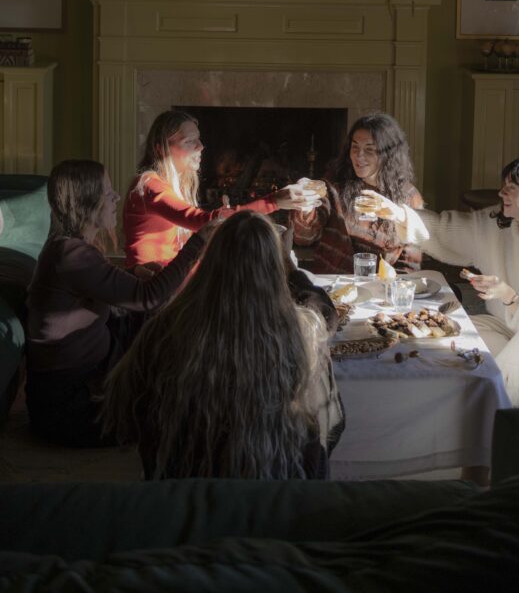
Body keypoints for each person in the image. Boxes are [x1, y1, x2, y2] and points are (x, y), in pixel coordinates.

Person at [102, 211, 344, 479]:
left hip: (181, 493)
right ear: (275, 270)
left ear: (211, 261)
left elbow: (124, 411)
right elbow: (332, 425)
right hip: (272, 495)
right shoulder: (302, 335)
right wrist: (291, 268)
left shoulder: (163, 329)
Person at [355, 155, 519, 407]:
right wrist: (399, 214)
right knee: (448, 336)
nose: (501, 193)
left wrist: (507, 295)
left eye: (511, 188)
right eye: (503, 187)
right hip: (507, 325)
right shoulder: (497, 224)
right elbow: (445, 229)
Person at [25, 160, 212, 447]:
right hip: (69, 401)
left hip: (88, 368)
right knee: (173, 420)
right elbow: (148, 297)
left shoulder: (67, 248)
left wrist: (129, 273)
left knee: (160, 325)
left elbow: (93, 287)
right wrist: (199, 242)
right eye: (108, 192)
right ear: (87, 202)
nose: (116, 198)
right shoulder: (71, 255)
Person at [123, 110, 315, 268]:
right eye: (189, 141)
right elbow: (203, 222)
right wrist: (274, 201)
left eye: (198, 139)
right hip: (154, 290)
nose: (201, 146)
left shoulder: (172, 187)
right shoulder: (148, 185)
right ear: (161, 149)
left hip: (171, 282)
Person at [292, 112, 424, 274]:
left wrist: (394, 290)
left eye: (369, 149)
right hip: (333, 286)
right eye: (355, 147)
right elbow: (303, 237)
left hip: (380, 290)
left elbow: (410, 263)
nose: (358, 156)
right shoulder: (334, 186)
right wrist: (305, 204)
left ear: (388, 154)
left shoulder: (409, 197)